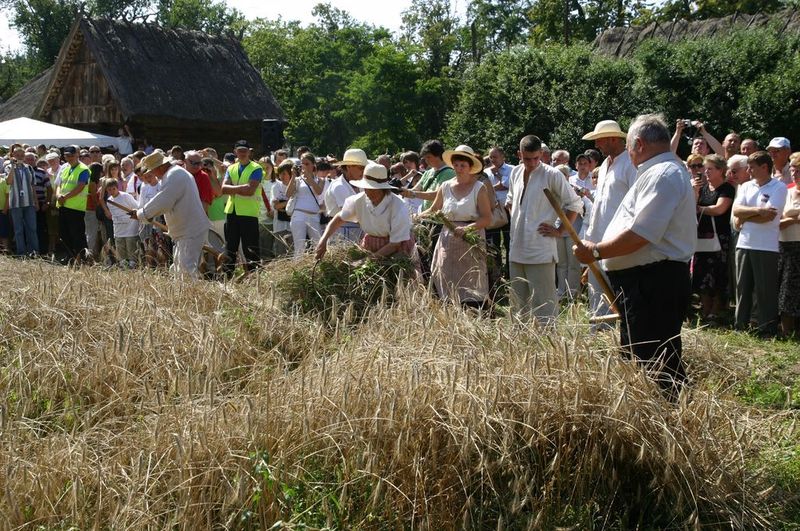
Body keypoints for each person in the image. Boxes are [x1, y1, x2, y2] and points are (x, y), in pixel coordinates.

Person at [574, 113, 696, 401]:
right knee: (640, 356)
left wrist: (596, 252)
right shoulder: (656, 172)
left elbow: (641, 234)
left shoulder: (663, 175)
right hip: (643, 281)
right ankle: (653, 411)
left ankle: (667, 414)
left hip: (653, 281)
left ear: (639, 144)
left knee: (655, 359)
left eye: (629, 146)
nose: (629, 152)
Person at [505, 135, 582, 322]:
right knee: (518, 305)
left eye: (536, 158)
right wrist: (519, 223)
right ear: (519, 154)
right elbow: (510, 202)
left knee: (544, 305)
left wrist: (560, 230)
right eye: (527, 158)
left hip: (540, 248)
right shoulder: (515, 172)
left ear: (541, 153)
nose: (532, 163)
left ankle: (548, 340)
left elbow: (575, 204)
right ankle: (520, 339)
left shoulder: (552, 174)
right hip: (516, 248)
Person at [421, 145, 492, 309]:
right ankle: (450, 311)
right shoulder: (445, 186)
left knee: (471, 279)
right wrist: (416, 217)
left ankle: (474, 311)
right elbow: (434, 209)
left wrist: (467, 229)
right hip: (448, 239)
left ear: (470, 167)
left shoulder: (479, 188)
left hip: (471, 240)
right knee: (446, 276)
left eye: (463, 165)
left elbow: (487, 218)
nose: (459, 169)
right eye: (456, 165)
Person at [582, 119, 638, 323]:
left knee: (619, 295)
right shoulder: (605, 164)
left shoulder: (630, 164)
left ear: (613, 139)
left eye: (600, 140)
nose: (596, 145)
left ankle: (617, 336)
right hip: (597, 241)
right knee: (597, 295)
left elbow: (635, 206)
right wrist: (590, 240)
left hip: (618, 242)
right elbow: (600, 205)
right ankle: (599, 335)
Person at [732, 151, 788, 336]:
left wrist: (745, 216)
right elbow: (736, 210)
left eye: (752, 167)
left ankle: (767, 329)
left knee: (765, 290)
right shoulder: (746, 186)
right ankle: (740, 326)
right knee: (742, 288)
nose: (748, 171)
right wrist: (758, 210)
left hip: (766, 246)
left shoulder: (779, 187)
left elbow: (769, 217)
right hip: (744, 244)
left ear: (764, 167)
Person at [132, 152, 210, 278]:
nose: (153, 174)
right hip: (186, 231)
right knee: (179, 269)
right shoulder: (173, 174)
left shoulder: (174, 176)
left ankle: (189, 291)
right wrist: (142, 213)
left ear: (160, 167)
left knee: (186, 271)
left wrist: (141, 214)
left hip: (190, 230)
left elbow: (163, 202)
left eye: (153, 170)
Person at [316, 161, 414, 260]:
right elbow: (339, 218)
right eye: (366, 188)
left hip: (395, 250)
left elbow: (395, 244)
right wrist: (323, 240)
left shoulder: (398, 206)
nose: (369, 193)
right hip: (370, 245)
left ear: (383, 189)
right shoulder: (358, 201)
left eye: (374, 189)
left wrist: (366, 261)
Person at [401, 140, 456, 279]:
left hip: (440, 221)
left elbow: (437, 195)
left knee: (436, 256)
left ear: (438, 155)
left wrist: (413, 194)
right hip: (425, 219)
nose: (426, 161)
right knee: (423, 255)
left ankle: (438, 284)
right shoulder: (428, 173)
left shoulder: (449, 173)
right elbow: (416, 190)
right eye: (424, 158)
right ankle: (427, 283)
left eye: (429, 157)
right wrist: (403, 191)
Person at [692, 154, 735, 321]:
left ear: (720, 170)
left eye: (710, 169)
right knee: (701, 273)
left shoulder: (727, 189)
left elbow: (719, 209)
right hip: (701, 237)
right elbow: (692, 207)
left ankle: (715, 311)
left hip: (720, 238)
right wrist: (695, 192)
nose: (706, 172)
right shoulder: (702, 188)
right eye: (705, 168)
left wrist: (700, 209)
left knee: (718, 274)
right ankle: (705, 309)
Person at [221, 140, 263, 275]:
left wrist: (233, 188)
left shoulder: (256, 168)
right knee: (230, 248)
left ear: (249, 152)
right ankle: (227, 277)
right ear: (235, 152)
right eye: (240, 150)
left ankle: (254, 278)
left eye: (245, 150)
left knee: (251, 249)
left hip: (249, 214)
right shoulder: (231, 168)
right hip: (231, 212)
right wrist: (242, 188)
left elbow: (250, 191)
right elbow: (223, 189)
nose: (243, 153)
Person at [286, 152, 324, 259]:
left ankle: (318, 265)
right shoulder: (297, 180)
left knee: (318, 245)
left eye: (307, 164)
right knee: (299, 248)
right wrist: (293, 176)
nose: (304, 166)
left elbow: (319, 191)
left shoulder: (320, 180)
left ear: (313, 165)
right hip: (299, 215)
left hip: (314, 216)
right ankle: (297, 267)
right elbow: (288, 194)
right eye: (302, 164)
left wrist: (309, 177)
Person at [55, 145, 90, 263]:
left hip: (76, 208)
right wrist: (58, 195)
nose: (69, 158)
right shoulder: (65, 168)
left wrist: (64, 197)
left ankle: (82, 258)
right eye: (66, 156)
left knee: (77, 234)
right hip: (63, 205)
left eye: (71, 155)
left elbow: (80, 187)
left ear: (77, 155)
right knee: (64, 234)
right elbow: (59, 185)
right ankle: (70, 256)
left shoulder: (83, 169)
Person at [778, 154, 800, 337]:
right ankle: (786, 330)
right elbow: (778, 220)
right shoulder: (786, 190)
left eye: (798, 170)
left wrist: (789, 217)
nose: (794, 174)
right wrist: (795, 218)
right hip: (785, 245)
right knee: (785, 288)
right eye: (793, 170)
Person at [325, 148, 367, 242]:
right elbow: (350, 213)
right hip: (342, 232)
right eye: (361, 168)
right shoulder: (339, 186)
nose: (363, 171)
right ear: (348, 167)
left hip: (358, 231)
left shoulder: (361, 185)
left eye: (365, 168)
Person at [5, 151, 39, 256]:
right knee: (18, 230)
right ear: (13, 156)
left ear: (24, 157)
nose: (19, 157)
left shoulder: (29, 168)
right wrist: (12, 166)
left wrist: (36, 201)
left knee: (32, 228)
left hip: (29, 203)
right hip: (16, 204)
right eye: (17, 155)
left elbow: (33, 185)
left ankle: (34, 251)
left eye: (22, 155)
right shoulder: (8, 167)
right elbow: (9, 182)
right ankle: (21, 253)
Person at [104, 178, 139, 268]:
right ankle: (123, 264)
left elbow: (137, 207)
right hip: (118, 229)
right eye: (109, 189)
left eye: (113, 189)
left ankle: (133, 263)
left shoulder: (126, 196)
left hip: (130, 227)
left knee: (131, 246)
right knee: (120, 247)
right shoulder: (109, 201)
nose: (112, 191)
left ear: (117, 187)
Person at [28, 153, 52, 256]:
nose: (30, 161)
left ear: (35, 160)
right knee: (29, 228)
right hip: (26, 205)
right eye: (27, 159)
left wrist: (47, 202)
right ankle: (30, 249)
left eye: (32, 159)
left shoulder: (42, 172)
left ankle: (42, 251)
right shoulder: (21, 171)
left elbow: (49, 188)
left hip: (40, 204)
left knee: (40, 228)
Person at [271, 161, 294, 257]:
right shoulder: (276, 186)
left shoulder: (296, 185)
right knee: (280, 254)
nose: (281, 176)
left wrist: (283, 204)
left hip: (293, 226)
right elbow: (276, 206)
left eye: (284, 173)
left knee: (292, 253)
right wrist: (290, 201)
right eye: (280, 173)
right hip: (279, 226)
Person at [257, 156, 276, 262]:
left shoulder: (277, 183)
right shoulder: (255, 183)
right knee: (257, 251)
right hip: (256, 220)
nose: (265, 170)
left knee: (267, 251)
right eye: (262, 168)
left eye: (267, 167)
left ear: (272, 167)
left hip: (270, 222)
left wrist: (274, 212)